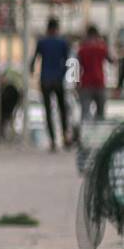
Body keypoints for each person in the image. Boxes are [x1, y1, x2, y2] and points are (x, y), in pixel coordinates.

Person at [30, 17, 71, 151]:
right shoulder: (62, 43)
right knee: (62, 109)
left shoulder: (42, 42)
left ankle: (53, 141)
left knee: (48, 111)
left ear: (47, 28)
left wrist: (32, 73)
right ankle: (65, 136)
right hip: (58, 79)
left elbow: (34, 60)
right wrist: (63, 74)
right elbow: (67, 61)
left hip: (45, 80)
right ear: (57, 28)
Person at [76, 24, 111, 123]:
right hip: (100, 83)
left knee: (85, 113)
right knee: (101, 114)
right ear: (97, 34)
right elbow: (111, 60)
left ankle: (85, 135)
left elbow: (77, 66)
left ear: (87, 35)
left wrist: (76, 83)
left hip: (86, 84)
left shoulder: (82, 49)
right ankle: (99, 135)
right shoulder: (102, 47)